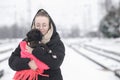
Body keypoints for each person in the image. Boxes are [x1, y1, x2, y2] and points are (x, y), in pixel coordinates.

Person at [8, 9, 65, 80]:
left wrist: (34, 51)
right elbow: (12, 61)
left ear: (50, 26)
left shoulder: (57, 43)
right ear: (34, 25)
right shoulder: (26, 41)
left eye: (44, 25)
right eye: (38, 25)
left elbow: (55, 63)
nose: (41, 28)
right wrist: (27, 63)